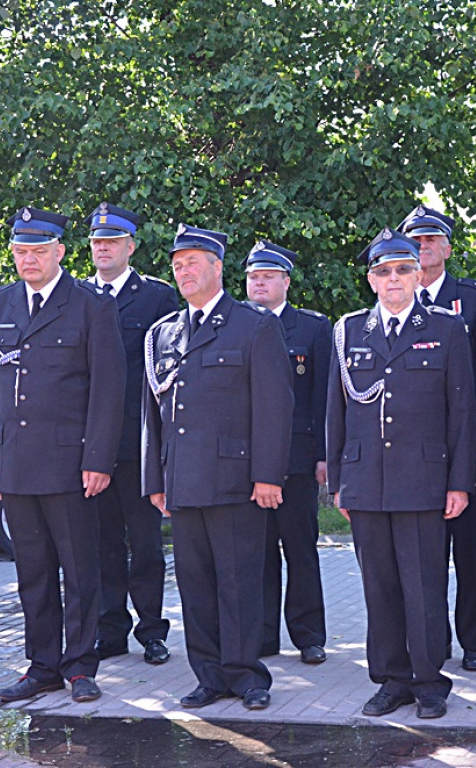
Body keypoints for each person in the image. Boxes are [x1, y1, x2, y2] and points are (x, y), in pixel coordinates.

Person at [326, 228, 476, 719]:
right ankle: (391, 679)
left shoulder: (448, 328)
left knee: (424, 585)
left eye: (403, 269)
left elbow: (462, 413)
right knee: (380, 586)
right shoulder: (349, 331)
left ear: (418, 274)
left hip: (423, 481)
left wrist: (459, 482)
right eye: (384, 272)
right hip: (366, 480)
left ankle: (430, 682)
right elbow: (337, 412)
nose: (394, 279)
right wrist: (338, 483)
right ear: (372, 280)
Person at [142, 223, 293, 711]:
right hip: (182, 480)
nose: (184, 271)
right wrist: (154, 478)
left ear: (217, 266)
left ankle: (247, 675)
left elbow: (275, 406)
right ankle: (208, 674)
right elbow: (152, 412)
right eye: (177, 264)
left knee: (239, 583)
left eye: (193, 262)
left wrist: (269, 474)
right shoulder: (163, 333)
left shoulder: (254, 324)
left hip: (235, 481)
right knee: (196, 586)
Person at [0, 205, 126, 704]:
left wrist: (99, 459)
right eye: (20, 252)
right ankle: (42, 665)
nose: (28, 260)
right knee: (33, 572)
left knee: (80, 570)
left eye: (38, 251)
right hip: (16, 462)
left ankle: (81, 666)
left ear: (60, 251)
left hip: (70, 463)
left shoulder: (88, 304)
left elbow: (109, 389)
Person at [399, 204, 476, 672]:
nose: (423, 247)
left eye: (431, 240)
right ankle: (432, 640)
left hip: (465, 447)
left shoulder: (474, 299)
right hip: (415, 454)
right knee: (425, 554)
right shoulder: (396, 299)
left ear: (447, 247)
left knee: (472, 550)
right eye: (415, 241)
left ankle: (473, 640)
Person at [84, 202, 178, 665]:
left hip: (141, 444)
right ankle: (110, 630)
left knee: (145, 545)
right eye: (97, 242)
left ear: (130, 246)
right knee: (101, 544)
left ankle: (152, 630)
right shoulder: (77, 297)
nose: (103, 248)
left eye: (112, 242)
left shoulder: (157, 298)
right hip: (92, 448)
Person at [243, 240, 330, 664]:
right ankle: (261, 636)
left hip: (297, 460)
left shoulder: (313, 328)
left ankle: (309, 636)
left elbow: (324, 397)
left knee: (300, 548)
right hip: (248, 461)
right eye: (253, 277)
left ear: (285, 282)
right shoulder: (235, 324)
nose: (259, 283)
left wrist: (323, 455)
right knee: (255, 552)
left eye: (268, 276)